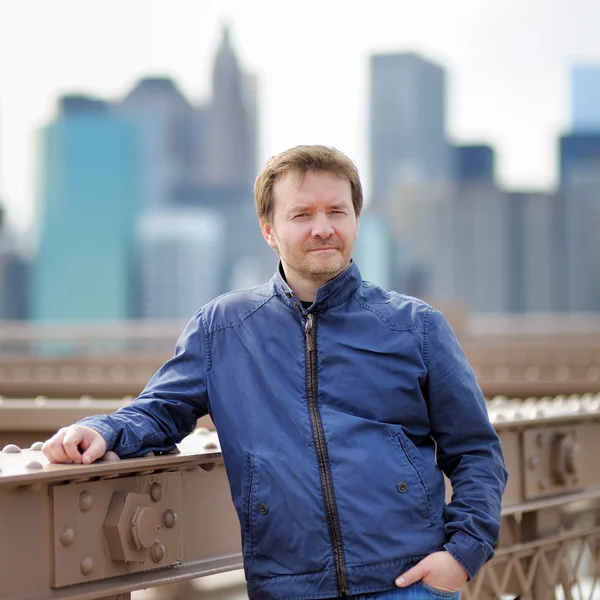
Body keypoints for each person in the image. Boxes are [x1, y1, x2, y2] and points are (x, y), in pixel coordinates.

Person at [43, 145, 508, 600]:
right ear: (269, 230)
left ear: (356, 221)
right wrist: (102, 430)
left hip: (408, 586)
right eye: (302, 214)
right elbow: (160, 410)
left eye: (336, 212)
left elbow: (475, 450)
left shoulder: (416, 327)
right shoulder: (222, 328)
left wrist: (462, 555)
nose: (323, 228)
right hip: (288, 589)